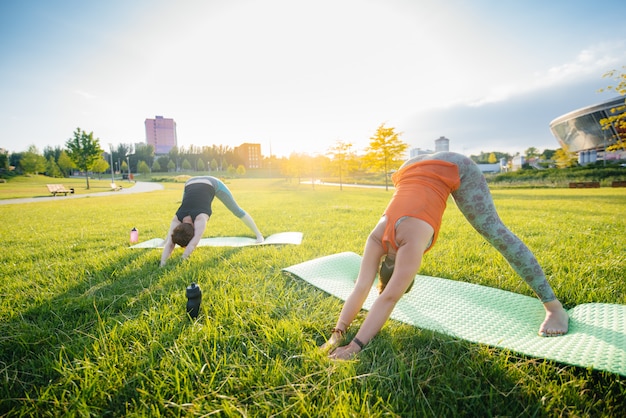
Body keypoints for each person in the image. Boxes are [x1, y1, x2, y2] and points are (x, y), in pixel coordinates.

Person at [321, 151, 569, 360]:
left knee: (496, 233)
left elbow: (386, 298)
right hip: (410, 166)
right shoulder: (377, 238)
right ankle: (552, 305)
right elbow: (363, 286)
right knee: (487, 229)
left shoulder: (410, 244)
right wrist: (337, 334)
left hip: (458, 167)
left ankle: (554, 307)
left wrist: (355, 346)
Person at [160, 176, 264, 267]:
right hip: (189, 183)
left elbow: (192, 244)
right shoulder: (177, 218)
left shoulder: (200, 218)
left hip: (212, 183)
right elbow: (171, 243)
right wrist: (162, 264)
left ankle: (259, 235)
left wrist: (182, 260)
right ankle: (166, 237)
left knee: (236, 210)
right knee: (171, 235)